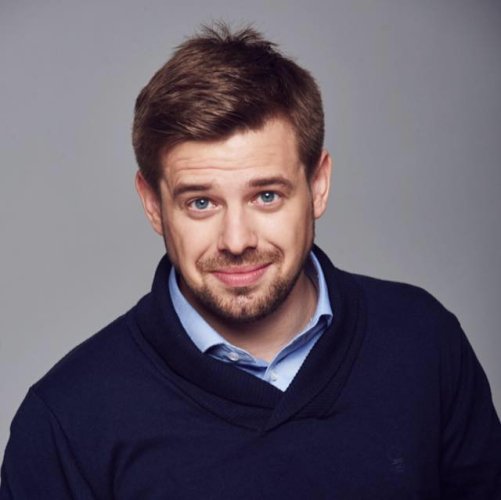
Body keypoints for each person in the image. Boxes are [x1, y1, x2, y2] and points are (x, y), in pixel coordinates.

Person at [1, 24, 500, 500]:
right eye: (201, 202)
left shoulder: (423, 341)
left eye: (266, 196)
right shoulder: (67, 419)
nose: (237, 241)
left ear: (318, 185)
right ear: (153, 204)